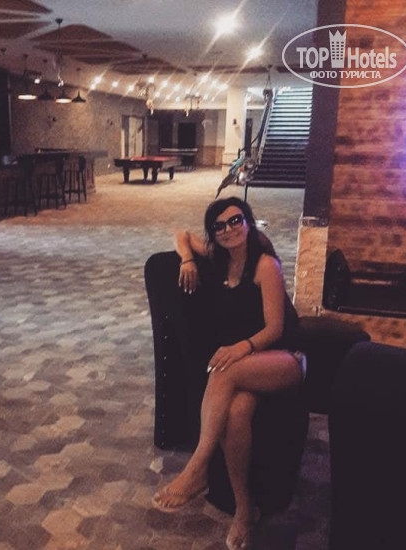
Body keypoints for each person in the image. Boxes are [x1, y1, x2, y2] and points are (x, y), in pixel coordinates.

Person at [152, 197, 306, 550]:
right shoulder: (218, 257)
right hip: (248, 368)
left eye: (236, 220)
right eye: (219, 226)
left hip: (285, 358)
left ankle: (198, 467)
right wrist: (187, 258)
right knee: (236, 413)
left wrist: (240, 348)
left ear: (248, 222)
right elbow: (181, 234)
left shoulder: (265, 265)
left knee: (223, 370)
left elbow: (275, 328)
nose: (229, 230)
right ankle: (243, 510)